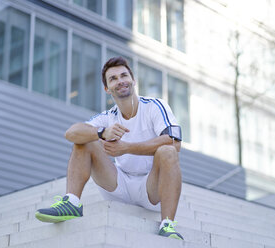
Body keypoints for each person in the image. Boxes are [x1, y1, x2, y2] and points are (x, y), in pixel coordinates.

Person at [35, 56, 184, 240]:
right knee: (86, 138)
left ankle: (167, 224)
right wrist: (102, 132)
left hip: (151, 189)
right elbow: (71, 133)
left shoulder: (155, 106)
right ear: (107, 89)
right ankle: (72, 202)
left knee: (167, 150)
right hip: (118, 185)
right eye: (113, 79)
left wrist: (127, 148)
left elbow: (174, 142)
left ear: (133, 80)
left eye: (124, 75)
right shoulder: (108, 117)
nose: (120, 81)